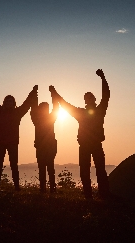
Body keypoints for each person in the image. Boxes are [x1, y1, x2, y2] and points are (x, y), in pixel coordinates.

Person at [50, 69, 110, 199]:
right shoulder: (81, 113)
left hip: (96, 144)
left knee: (100, 170)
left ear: (94, 99)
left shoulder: (100, 111)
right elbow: (66, 105)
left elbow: (106, 95)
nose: (88, 99)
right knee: (85, 171)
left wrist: (103, 78)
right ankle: (89, 196)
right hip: (84, 145)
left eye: (90, 97)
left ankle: (104, 195)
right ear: (85, 101)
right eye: (86, 98)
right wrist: (54, 93)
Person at [0, 80, 38, 190]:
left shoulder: (17, 113)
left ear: (14, 103)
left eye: (11, 101)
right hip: (0, 142)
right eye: (7, 101)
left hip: (12, 143)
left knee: (14, 165)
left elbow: (26, 104)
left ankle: (16, 187)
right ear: (4, 103)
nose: (9, 103)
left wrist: (33, 92)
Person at [30, 87, 59, 193]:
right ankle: (44, 188)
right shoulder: (36, 120)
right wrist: (35, 94)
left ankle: (51, 188)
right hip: (42, 147)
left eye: (46, 108)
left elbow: (56, 108)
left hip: (50, 147)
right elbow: (33, 108)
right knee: (43, 168)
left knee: (49, 167)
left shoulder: (50, 119)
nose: (45, 109)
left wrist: (53, 93)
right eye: (43, 108)